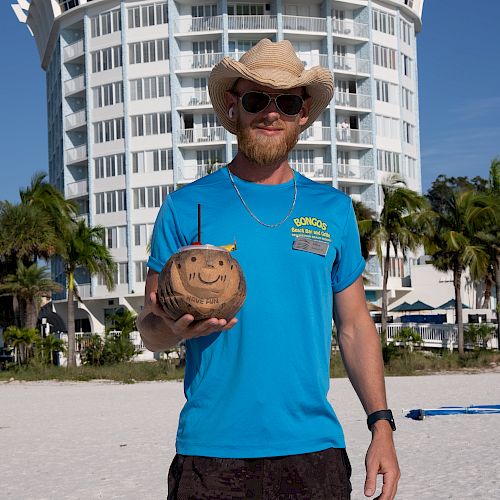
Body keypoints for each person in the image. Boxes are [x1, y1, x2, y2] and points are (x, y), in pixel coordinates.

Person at [137, 39, 400, 499]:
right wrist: (176, 330)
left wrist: (381, 424)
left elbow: (356, 325)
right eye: (257, 99)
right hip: (211, 450)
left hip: (312, 450)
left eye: (287, 101)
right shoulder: (185, 206)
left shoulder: (333, 209)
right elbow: (149, 330)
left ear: (303, 114)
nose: (271, 113)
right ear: (235, 108)